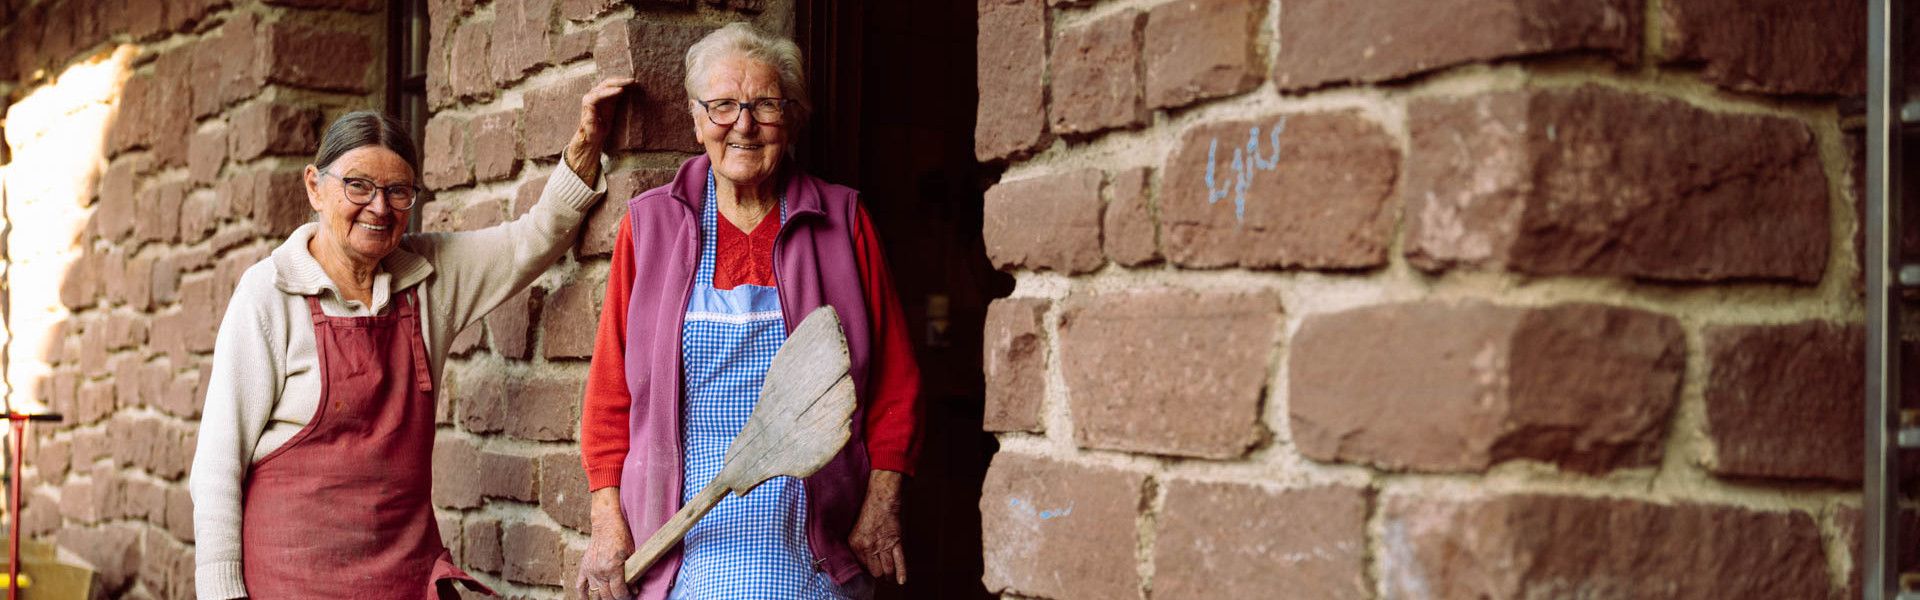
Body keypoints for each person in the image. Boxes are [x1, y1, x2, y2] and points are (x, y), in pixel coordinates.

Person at [187, 78, 633, 600]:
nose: (379, 208)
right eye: (357, 186)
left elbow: (531, 239)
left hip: (402, 581)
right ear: (315, 187)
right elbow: (218, 466)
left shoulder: (428, 277)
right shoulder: (268, 292)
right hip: (290, 584)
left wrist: (585, 145)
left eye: (398, 192)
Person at [573, 22, 922, 600]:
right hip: (679, 540)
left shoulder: (845, 222)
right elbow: (610, 393)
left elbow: (895, 385)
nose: (743, 124)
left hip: (811, 539)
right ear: (695, 118)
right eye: (723, 106)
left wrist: (882, 503)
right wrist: (607, 522)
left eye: (764, 104)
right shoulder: (651, 225)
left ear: (792, 116)